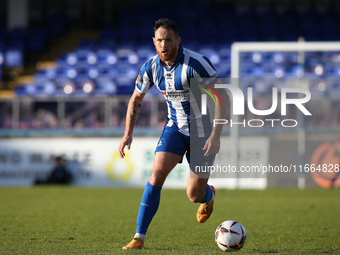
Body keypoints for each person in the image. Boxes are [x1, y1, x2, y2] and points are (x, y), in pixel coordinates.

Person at [118, 18, 229, 250]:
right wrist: (128, 133)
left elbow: (222, 97)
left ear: (178, 40)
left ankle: (208, 196)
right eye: (159, 40)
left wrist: (216, 135)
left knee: (193, 195)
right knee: (156, 173)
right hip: (175, 129)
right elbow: (136, 98)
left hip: (203, 132)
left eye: (168, 39)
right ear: (154, 42)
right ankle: (139, 237)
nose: (164, 45)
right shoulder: (150, 67)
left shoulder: (196, 64)